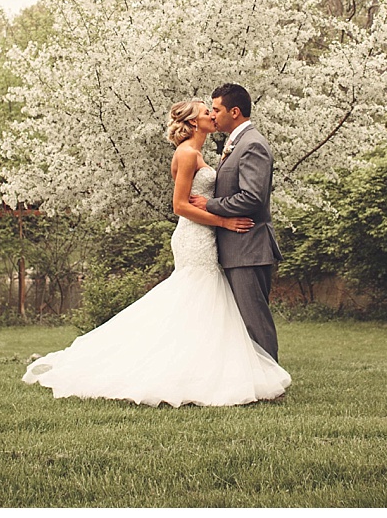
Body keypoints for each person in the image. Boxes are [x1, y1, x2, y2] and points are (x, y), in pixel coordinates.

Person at [22, 100, 290, 407]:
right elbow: (179, 206)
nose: (212, 116)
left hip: (208, 235)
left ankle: (202, 371)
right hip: (195, 237)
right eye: (206, 113)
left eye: (213, 111)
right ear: (192, 122)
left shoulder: (200, 152)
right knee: (195, 297)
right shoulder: (187, 153)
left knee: (202, 305)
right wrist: (224, 220)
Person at [188, 83, 282, 362]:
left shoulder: (252, 145)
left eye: (216, 109)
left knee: (254, 320)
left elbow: (252, 198)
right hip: (236, 247)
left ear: (235, 111)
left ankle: (271, 382)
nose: (213, 115)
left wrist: (211, 205)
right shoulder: (236, 143)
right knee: (241, 320)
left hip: (248, 246)